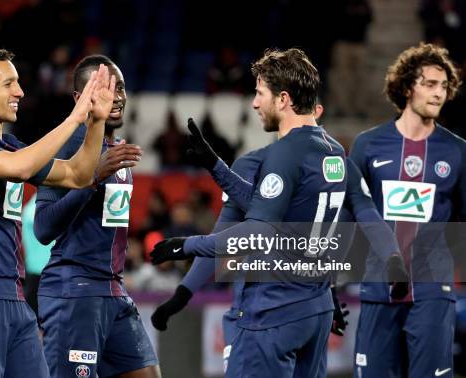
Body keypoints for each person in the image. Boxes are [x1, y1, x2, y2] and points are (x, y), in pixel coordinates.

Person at [151, 104, 408, 375]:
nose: (256, 104)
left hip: (284, 310)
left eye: (262, 94)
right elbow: (225, 235)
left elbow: (321, 236)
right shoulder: (253, 164)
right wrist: (182, 294)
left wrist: (328, 288)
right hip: (262, 312)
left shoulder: (336, 166)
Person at [150, 48, 347, 378]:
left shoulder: (282, 156)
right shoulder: (334, 151)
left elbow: (258, 230)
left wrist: (186, 244)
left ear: (283, 99)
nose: (255, 103)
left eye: (259, 93)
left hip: (272, 311)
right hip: (315, 309)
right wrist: (217, 168)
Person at [0, 47, 116, 378]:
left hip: (14, 297)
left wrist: (95, 122)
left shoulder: (12, 145)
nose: (20, 91)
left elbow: (78, 175)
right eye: (9, 84)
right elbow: (18, 170)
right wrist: (73, 119)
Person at [34, 55, 160, 378]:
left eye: (119, 87)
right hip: (74, 292)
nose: (115, 96)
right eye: (103, 87)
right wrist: (92, 180)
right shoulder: (67, 144)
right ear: (79, 98)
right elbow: (43, 227)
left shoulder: (114, 145)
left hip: (114, 291)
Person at [350, 43, 465, 378]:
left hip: (432, 292)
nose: (439, 93)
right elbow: (347, 213)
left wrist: (440, 258)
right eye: (429, 84)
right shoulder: (367, 145)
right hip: (377, 289)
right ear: (406, 87)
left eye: (444, 86)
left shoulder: (458, 152)